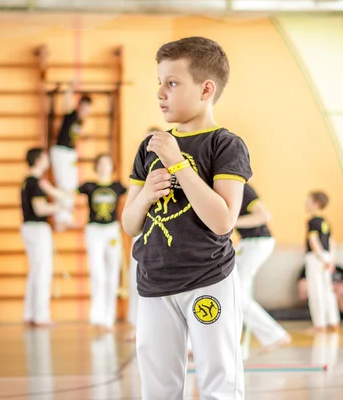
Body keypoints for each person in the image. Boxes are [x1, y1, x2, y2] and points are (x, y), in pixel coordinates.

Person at [121, 37, 251, 399]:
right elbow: (130, 224)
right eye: (159, 82)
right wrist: (147, 193)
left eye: (172, 83)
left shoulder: (225, 145)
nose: (160, 92)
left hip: (207, 279)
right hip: (153, 282)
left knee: (219, 382)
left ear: (206, 89)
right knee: (158, 388)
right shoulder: (149, 147)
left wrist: (178, 163)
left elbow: (223, 221)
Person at [234, 183, 291, 349]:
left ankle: (275, 334)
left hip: (257, 242)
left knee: (236, 293)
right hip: (248, 244)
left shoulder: (243, 188)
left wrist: (232, 222)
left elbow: (264, 215)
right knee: (237, 293)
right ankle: (273, 335)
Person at [20, 148, 70, 327]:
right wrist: (60, 208)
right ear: (39, 160)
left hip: (29, 228)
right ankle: (41, 316)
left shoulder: (29, 181)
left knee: (35, 272)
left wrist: (58, 195)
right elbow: (40, 209)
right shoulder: (35, 183)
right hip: (38, 229)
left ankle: (30, 313)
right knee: (42, 272)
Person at [77, 154, 127, 331]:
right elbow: (68, 193)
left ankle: (109, 317)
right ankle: (97, 315)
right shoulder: (89, 186)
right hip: (94, 230)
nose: (105, 166)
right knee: (98, 273)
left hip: (112, 230)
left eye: (108, 163)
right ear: (96, 166)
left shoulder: (118, 186)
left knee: (112, 272)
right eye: (102, 163)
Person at [125, 126, 162, 342]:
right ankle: (136, 324)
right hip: (141, 230)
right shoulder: (139, 169)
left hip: (164, 230)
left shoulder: (173, 166)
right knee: (136, 279)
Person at [50, 82, 93, 232]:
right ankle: (60, 219)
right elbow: (67, 99)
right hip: (61, 152)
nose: (87, 112)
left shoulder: (81, 121)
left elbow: (73, 135)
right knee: (63, 185)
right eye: (86, 108)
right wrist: (71, 88)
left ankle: (66, 216)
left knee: (71, 186)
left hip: (70, 153)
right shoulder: (72, 114)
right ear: (80, 106)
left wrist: (83, 138)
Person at [304, 191, 340, 331]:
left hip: (315, 258)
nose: (306, 204)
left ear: (316, 204)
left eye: (309, 201)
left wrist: (320, 257)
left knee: (316, 290)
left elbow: (313, 241)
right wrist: (330, 259)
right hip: (327, 256)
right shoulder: (326, 222)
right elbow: (331, 241)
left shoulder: (312, 221)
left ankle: (319, 324)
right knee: (327, 290)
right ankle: (333, 320)